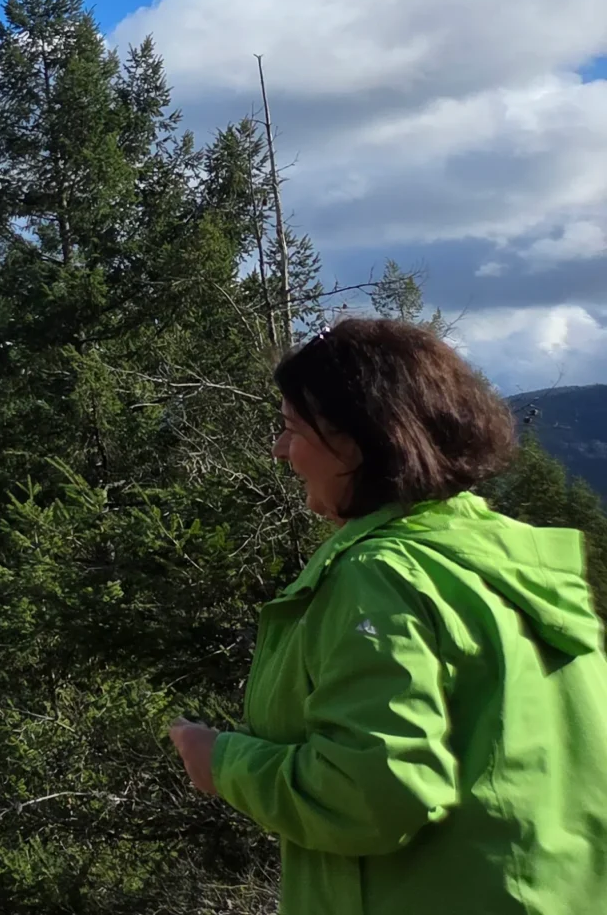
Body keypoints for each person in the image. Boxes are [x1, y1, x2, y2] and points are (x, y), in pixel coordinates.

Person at [167, 318, 607, 914]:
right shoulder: (508, 560)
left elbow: (371, 792)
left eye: (292, 428)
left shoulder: (381, 576)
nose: (279, 450)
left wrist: (221, 762)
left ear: (356, 443)